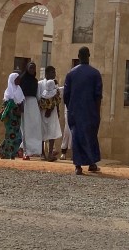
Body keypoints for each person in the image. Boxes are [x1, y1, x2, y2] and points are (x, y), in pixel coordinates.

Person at [62, 46, 103, 175]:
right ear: (89, 56)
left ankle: (78, 166)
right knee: (90, 136)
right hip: (90, 111)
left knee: (77, 137)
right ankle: (92, 163)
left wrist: (71, 108)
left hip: (75, 111)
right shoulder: (95, 73)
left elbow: (66, 95)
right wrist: (97, 112)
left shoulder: (71, 74)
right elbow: (98, 96)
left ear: (78, 56)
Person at [38, 66, 64, 161]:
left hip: (52, 112)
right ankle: (42, 153)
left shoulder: (55, 84)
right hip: (42, 112)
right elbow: (39, 98)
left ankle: (50, 154)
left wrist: (55, 109)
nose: (54, 74)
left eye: (54, 72)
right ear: (46, 74)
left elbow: (56, 98)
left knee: (52, 132)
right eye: (52, 72)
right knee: (42, 131)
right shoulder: (40, 84)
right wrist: (45, 108)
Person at [0, 71, 24, 159]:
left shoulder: (19, 89)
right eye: (17, 79)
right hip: (10, 116)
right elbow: (5, 104)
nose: (19, 81)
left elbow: (21, 102)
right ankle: (6, 153)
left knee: (17, 135)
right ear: (12, 80)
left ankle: (11, 153)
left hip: (17, 116)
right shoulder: (8, 91)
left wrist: (20, 110)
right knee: (10, 134)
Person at [18, 61, 41, 160]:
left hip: (34, 104)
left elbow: (37, 95)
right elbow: (20, 93)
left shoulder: (35, 81)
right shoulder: (22, 79)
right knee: (26, 128)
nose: (32, 70)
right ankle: (25, 151)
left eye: (34, 68)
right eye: (31, 68)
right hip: (25, 103)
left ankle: (33, 150)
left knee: (34, 127)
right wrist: (21, 105)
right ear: (27, 68)